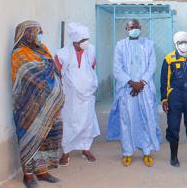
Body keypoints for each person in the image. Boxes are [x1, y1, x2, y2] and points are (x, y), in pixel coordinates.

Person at [11, 21, 64, 188]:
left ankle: (42, 172)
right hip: (29, 107)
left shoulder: (43, 49)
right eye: (38, 31)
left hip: (49, 106)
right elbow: (29, 75)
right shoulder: (19, 53)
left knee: (48, 136)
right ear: (27, 34)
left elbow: (54, 69)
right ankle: (27, 175)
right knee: (30, 136)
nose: (41, 33)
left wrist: (50, 69)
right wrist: (48, 68)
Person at [107, 19, 161, 167]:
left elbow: (152, 66)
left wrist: (141, 83)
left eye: (136, 27)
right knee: (127, 120)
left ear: (140, 28)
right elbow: (117, 68)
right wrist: (132, 83)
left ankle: (147, 151)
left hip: (145, 89)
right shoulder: (120, 46)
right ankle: (127, 152)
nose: (134, 29)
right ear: (126, 28)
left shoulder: (148, 45)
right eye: (131, 27)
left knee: (146, 118)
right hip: (128, 90)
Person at [55, 23, 100, 166]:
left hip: (88, 94)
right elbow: (57, 73)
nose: (86, 43)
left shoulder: (91, 50)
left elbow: (92, 68)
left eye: (87, 39)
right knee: (70, 122)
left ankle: (85, 149)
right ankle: (66, 152)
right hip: (71, 96)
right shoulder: (62, 54)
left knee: (87, 121)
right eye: (82, 40)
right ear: (74, 41)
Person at [160, 31, 187, 167]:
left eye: (186, 42)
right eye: (180, 42)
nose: (183, 45)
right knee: (173, 126)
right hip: (175, 97)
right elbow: (164, 80)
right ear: (175, 44)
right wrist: (164, 99)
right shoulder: (169, 59)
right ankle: (174, 157)